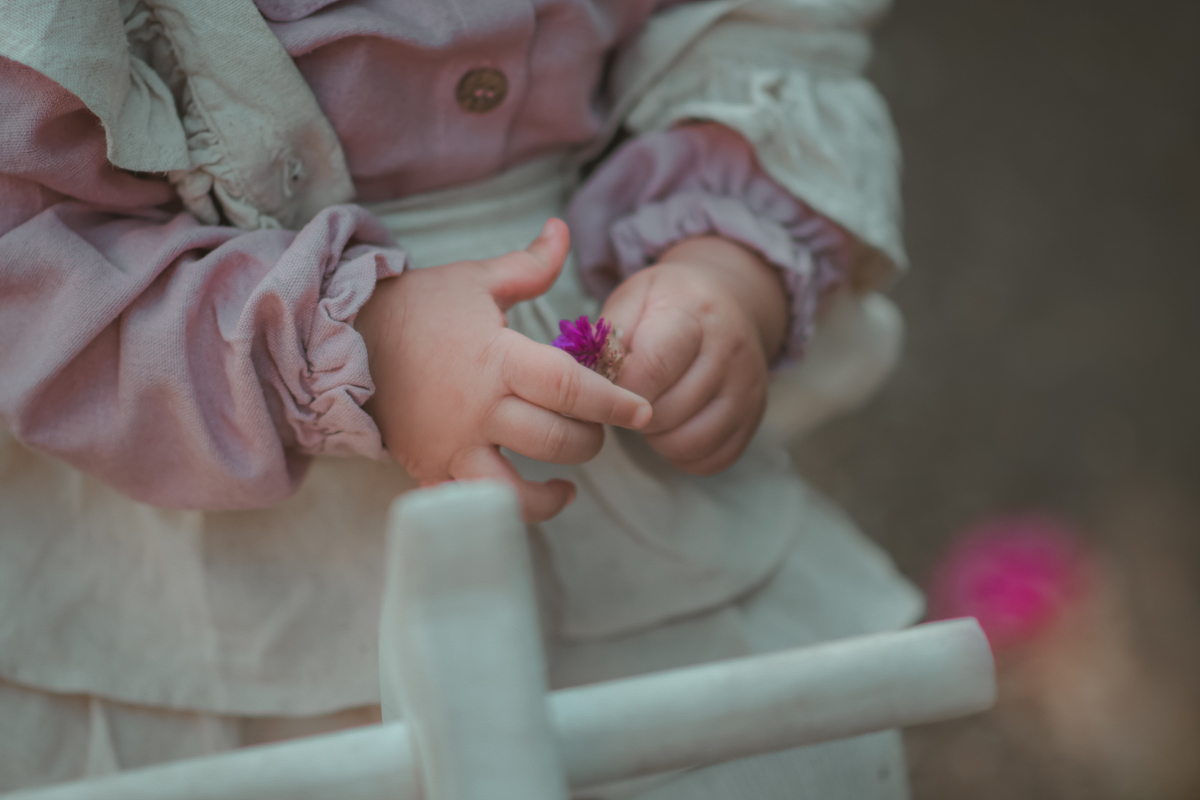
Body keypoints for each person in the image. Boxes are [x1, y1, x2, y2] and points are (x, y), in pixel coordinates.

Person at [0, 0, 922, 795]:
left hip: (620, 503)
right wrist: (375, 348)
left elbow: (753, 38)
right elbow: (35, 262)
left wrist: (723, 263)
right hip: (211, 520)